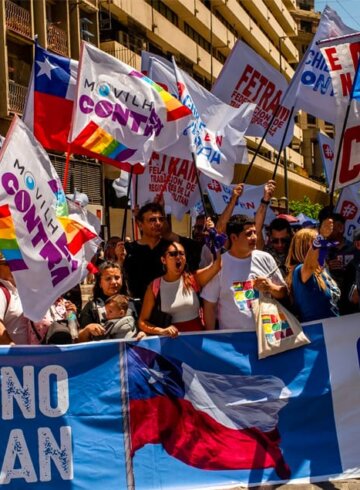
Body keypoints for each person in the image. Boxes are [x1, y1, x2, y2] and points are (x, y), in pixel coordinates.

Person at [201, 215, 288, 331]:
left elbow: (284, 293)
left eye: (254, 232)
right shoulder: (219, 265)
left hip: (267, 339)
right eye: (248, 234)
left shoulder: (266, 258)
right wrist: (212, 340)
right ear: (233, 237)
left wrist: (270, 287)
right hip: (232, 343)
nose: (254, 237)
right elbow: (209, 305)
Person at [139, 240, 221, 337]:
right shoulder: (154, 286)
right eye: (172, 254)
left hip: (195, 342)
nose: (178, 257)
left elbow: (216, 266)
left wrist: (216, 246)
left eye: (182, 254)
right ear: (163, 260)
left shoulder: (194, 279)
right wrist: (161, 330)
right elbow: (142, 322)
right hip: (170, 344)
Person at [285, 220, 340, 322]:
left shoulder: (322, 270)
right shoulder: (299, 271)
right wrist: (321, 235)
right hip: (317, 332)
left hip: (333, 330)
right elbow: (309, 266)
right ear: (305, 248)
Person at [78, 261, 138, 341]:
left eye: (117, 278)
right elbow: (80, 339)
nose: (113, 282)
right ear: (100, 283)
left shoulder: (133, 304)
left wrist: (143, 333)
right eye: (108, 279)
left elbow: (142, 327)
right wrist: (88, 329)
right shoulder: (92, 307)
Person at [0, 253, 29, 344]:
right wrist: (13, 349)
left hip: (28, 355)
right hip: (10, 356)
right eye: (9, 263)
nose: (15, 267)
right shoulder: (1, 291)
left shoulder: (20, 289)